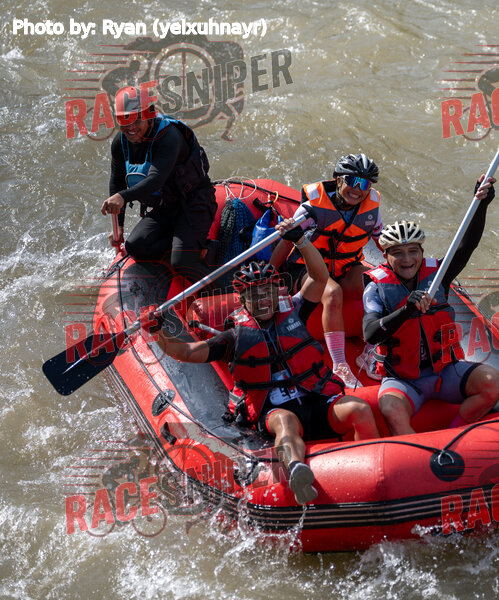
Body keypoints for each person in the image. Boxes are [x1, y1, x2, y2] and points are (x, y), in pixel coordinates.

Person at [142, 221, 379, 504]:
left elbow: (319, 277)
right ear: (242, 300)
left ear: (276, 292)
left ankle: (373, 469)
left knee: (358, 408)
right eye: (254, 295)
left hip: (316, 400)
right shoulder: (233, 337)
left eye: (267, 292)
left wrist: (301, 241)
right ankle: (297, 472)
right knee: (286, 422)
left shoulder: (296, 310)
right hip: (274, 410)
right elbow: (185, 352)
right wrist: (158, 332)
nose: (262, 300)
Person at [361, 176, 499, 436]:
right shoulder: (376, 288)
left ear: (421, 252)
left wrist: (482, 204)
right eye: (398, 253)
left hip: (445, 371)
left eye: (413, 251)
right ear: (386, 255)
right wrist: (406, 311)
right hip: (403, 379)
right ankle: (418, 454)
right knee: (391, 409)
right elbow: (371, 333)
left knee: (493, 381)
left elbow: (467, 246)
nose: (407, 259)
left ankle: (454, 435)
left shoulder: (438, 275)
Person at [271, 153, 384, 388]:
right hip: (307, 270)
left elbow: (383, 242)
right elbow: (287, 241)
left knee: (381, 284)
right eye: (352, 181)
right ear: (338, 179)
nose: (358, 189)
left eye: (364, 184)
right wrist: (270, 274)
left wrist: (402, 266)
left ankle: (371, 351)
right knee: (332, 293)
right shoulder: (312, 208)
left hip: (346, 267)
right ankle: (340, 364)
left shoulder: (371, 209)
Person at [100, 86, 216, 280]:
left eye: (137, 120)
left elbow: (155, 180)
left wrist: (123, 197)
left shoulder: (169, 137)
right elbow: (117, 180)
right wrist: (119, 225)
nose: (131, 128)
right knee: (135, 246)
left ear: (149, 116)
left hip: (195, 202)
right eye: (124, 121)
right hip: (166, 206)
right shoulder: (120, 142)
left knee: (182, 263)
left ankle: (214, 262)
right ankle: (186, 244)